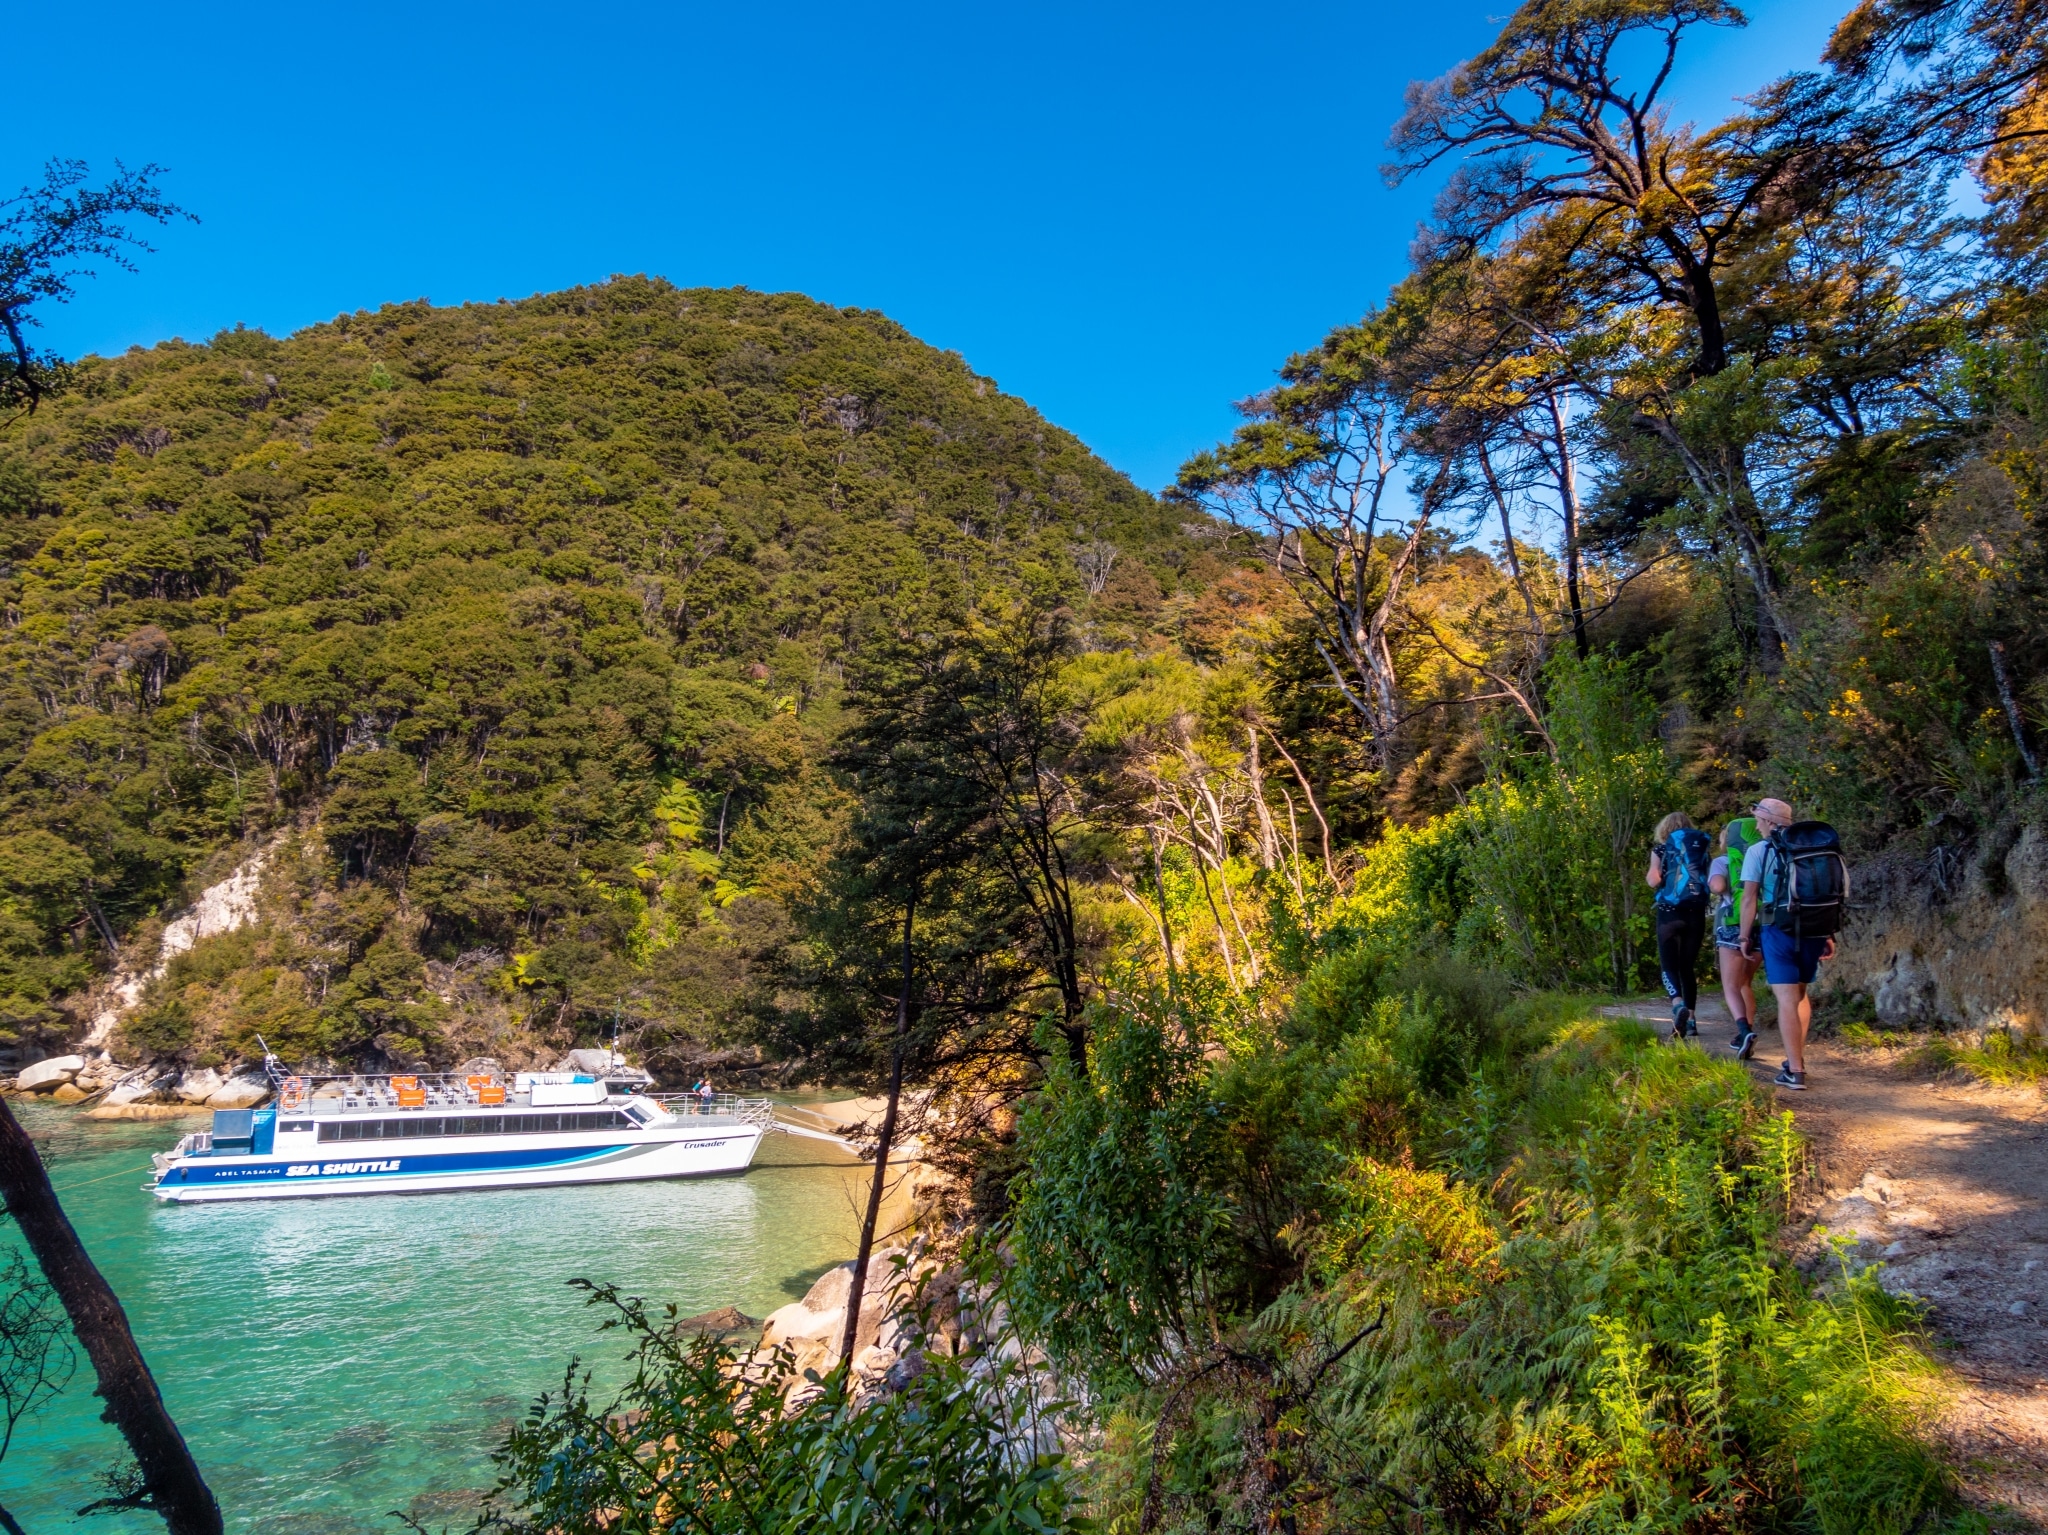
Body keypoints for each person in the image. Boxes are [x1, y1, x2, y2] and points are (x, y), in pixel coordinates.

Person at [1737, 797, 1837, 1091]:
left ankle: (1795, 1070)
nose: (1755, 823)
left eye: (1758, 817)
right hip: (1815, 927)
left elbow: (1749, 898)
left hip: (1777, 928)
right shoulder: (1814, 848)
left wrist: (1744, 936)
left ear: (1769, 821)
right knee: (1801, 994)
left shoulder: (1759, 851)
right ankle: (1796, 1060)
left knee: (1786, 998)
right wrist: (1827, 932)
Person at [1645, 811, 1711, 1039]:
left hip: (1669, 913)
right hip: (1696, 913)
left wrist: (1658, 873)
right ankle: (1691, 1021)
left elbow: (1653, 880)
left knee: (1669, 965)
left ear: (1664, 830)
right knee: (1687, 967)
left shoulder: (1661, 850)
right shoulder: (1700, 851)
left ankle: (1677, 1004)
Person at [1711, 816, 1763, 1060]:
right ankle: (1747, 1029)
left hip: (1732, 923)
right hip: (1763, 923)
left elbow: (1718, 887)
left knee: (1731, 985)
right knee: (1745, 982)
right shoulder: (1765, 854)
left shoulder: (1721, 861)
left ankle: (1744, 1030)